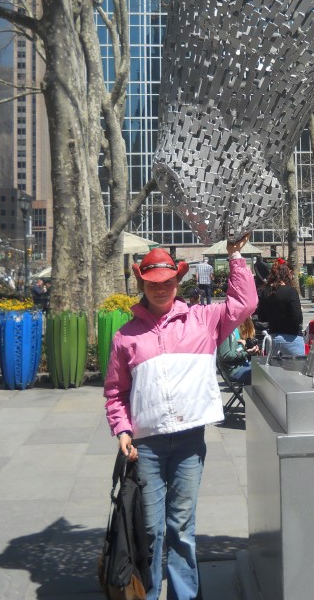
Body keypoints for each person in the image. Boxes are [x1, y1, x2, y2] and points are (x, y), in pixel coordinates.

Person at [103, 238, 257, 600]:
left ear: (178, 283)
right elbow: (115, 392)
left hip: (189, 443)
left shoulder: (203, 320)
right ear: (142, 284)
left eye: (167, 282)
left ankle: (185, 596)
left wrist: (235, 256)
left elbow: (245, 303)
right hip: (147, 447)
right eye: (153, 283)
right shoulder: (126, 337)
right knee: (152, 530)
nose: (160, 289)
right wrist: (123, 429)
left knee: (182, 527)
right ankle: (151, 593)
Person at [256, 258, 305, 357]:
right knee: (295, 371)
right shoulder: (291, 291)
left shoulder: (265, 291)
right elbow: (298, 319)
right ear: (288, 273)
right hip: (292, 339)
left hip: (273, 339)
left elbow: (262, 317)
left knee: (274, 371)